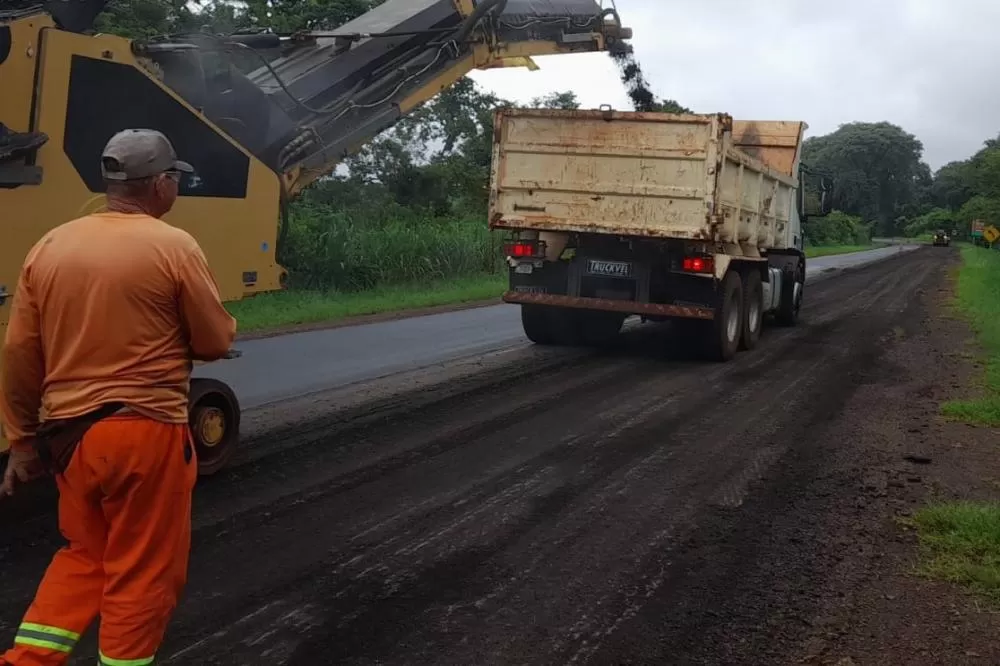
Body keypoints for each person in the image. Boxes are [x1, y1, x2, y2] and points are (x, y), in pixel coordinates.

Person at [0, 128, 237, 665]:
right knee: (143, 571)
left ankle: (26, 661)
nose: (176, 188)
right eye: (174, 179)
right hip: (145, 432)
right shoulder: (173, 245)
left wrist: (20, 442)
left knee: (84, 555)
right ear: (158, 184)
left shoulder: (50, 246)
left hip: (71, 439)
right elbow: (215, 342)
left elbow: (19, 353)